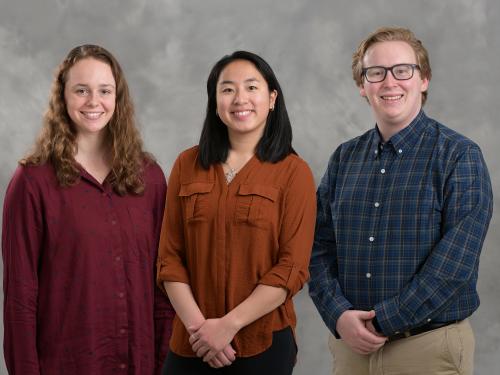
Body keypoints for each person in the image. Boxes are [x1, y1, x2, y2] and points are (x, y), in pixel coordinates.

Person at [309, 27, 493, 375]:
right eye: (375, 73)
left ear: (423, 80)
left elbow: (454, 266)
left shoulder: (459, 156)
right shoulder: (343, 159)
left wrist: (384, 321)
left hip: (427, 348)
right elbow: (317, 248)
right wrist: (338, 315)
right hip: (351, 349)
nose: (389, 82)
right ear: (362, 86)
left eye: (402, 70)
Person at [2, 44, 174, 374]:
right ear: (62, 97)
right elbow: (19, 300)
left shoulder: (149, 178)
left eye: (104, 90)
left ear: (117, 98)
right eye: (81, 90)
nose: (94, 102)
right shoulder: (32, 182)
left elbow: (163, 290)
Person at [157, 50, 316, 374]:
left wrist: (228, 326)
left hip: (263, 343)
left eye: (251, 87)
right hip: (191, 343)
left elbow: (292, 268)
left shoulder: (293, 172)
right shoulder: (186, 165)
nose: (239, 98)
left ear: (272, 98)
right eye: (227, 89)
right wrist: (200, 329)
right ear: (215, 103)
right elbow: (169, 259)